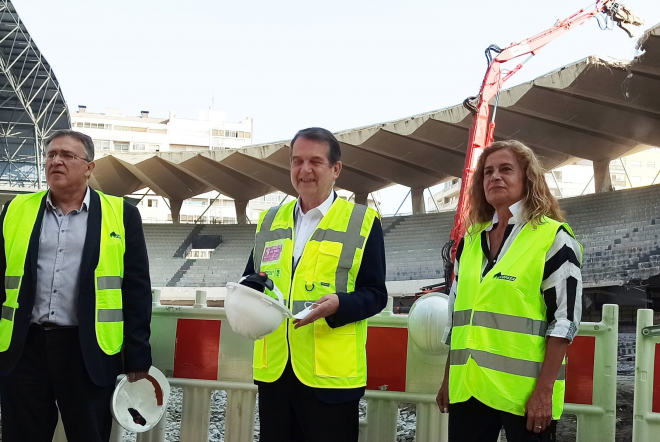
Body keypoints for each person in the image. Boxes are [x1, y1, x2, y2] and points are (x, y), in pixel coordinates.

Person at [0, 130, 152, 442]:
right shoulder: (16, 210)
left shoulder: (122, 215)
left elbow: (136, 289)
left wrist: (138, 353)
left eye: (67, 155)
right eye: (51, 154)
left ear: (89, 167)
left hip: (87, 352)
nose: (56, 161)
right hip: (23, 350)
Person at [241, 127, 387, 442]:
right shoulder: (269, 221)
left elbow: (376, 294)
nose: (304, 170)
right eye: (297, 161)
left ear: (336, 169)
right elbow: (253, 279)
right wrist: (247, 291)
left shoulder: (362, 221)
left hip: (330, 381)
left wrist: (340, 305)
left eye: (315, 161)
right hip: (276, 373)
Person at [436, 140, 583, 442]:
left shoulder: (553, 237)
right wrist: (449, 377)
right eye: (488, 172)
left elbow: (565, 321)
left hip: (526, 396)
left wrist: (544, 391)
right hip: (469, 390)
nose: (495, 177)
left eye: (506, 169)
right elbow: (459, 318)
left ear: (527, 178)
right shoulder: (471, 240)